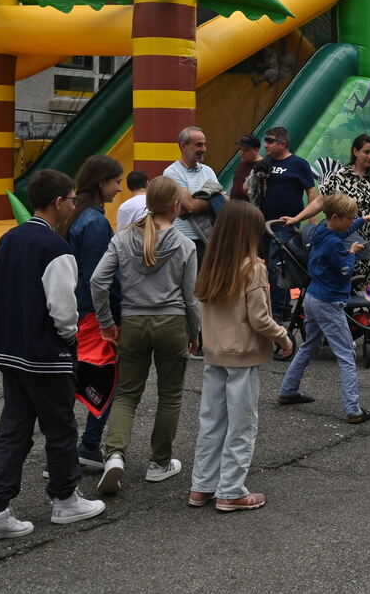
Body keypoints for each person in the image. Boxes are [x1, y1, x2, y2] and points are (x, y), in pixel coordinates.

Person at [0, 170, 106, 541]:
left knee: (14, 428)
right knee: (60, 426)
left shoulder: (6, 240)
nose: (72, 206)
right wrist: (70, 338)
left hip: (8, 348)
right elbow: (64, 311)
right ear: (58, 202)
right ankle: (65, 497)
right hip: (46, 353)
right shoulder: (56, 248)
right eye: (70, 200)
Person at [92, 176, 201, 495]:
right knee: (170, 394)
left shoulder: (123, 237)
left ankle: (114, 455)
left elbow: (98, 282)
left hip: (133, 322)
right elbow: (190, 298)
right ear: (174, 205)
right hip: (171, 323)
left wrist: (106, 321)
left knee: (127, 393)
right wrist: (195, 332)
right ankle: (159, 463)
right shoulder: (184, 244)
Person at [190, 201, 293, 512]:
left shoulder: (211, 264)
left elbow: (200, 309)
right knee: (242, 424)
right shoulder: (253, 267)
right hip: (243, 357)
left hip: (215, 354)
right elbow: (259, 318)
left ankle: (202, 486)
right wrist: (283, 337)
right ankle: (232, 490)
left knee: (212, 421)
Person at [276, 192, 370, 423]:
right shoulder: (335, 244)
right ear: (336, 217)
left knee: (309, 346)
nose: (352, 222)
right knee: (346, 354)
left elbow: (346, 224)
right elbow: (344, 270)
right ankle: (353, 409)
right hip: (328, 303)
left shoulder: (323, 228)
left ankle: (287, 391)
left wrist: (365, 219)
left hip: (312, 298)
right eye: (350, 218)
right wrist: (352, 253)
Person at [64, 155, 123, 470]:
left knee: (73, 381)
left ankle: (63, 447)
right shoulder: (97, 222)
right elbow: (99, 277)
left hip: (76, 310)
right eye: (116, 181)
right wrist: (110, 320)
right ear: (102, 182)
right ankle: (88, 444)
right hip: (93, 315)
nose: (119, 188)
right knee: (105, 380)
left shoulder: (75, 215)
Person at [290, 134, 370, 285]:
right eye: (367, 152)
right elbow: (319, 202)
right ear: (355, 152)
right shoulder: (340, 177)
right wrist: (296, 219)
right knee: (354, 280)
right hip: (350, 236)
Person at [256, 127, 320, 322]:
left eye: (269, 140)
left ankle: (276, 312)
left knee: (278, 266)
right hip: (264, 223)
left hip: (286, 224)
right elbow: (249, 188)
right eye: (265, 140)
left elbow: (311, 191)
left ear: (282, 144)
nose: (265, 144)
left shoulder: (298, 163)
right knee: (274, 268)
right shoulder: (264, 163)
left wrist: (311, 221)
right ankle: (283, 308)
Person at [163, 126, 220, 269]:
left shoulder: (208, 171)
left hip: (207, 240)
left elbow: (221, 200)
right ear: (183, 146)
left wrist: (209, 201)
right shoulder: (172, 172)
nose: (204, 149)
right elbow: (191, 206)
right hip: (183, 241)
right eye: (199, 144)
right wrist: (212, 201)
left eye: (204, 144)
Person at [230, 135, 262, 202]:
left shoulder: (262, 167)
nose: (242, 153)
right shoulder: (242, 163)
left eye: (246, 150)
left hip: (249, 209)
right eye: (241, 149)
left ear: (257, 150)